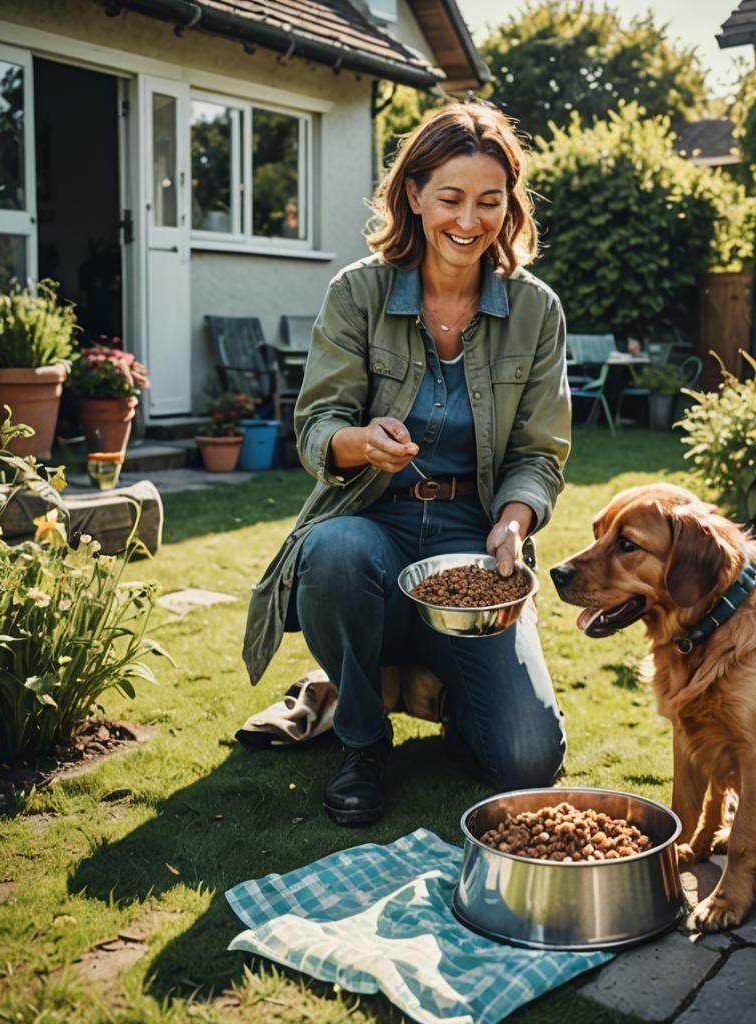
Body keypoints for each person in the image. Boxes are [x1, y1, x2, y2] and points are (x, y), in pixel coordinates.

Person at [243, 102, 572, 826]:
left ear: (508, 208)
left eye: (490, 201)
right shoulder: (358, 293)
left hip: (473, 540)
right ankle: (363, 740)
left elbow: (539, 452)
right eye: (450, 197)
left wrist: (513, 524)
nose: (468, 219)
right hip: (373, 521)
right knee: (329, 550)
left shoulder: (535, 310)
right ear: (414, 194)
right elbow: (316, 426)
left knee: (527, 759)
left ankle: (431, 685)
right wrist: (361, 441)